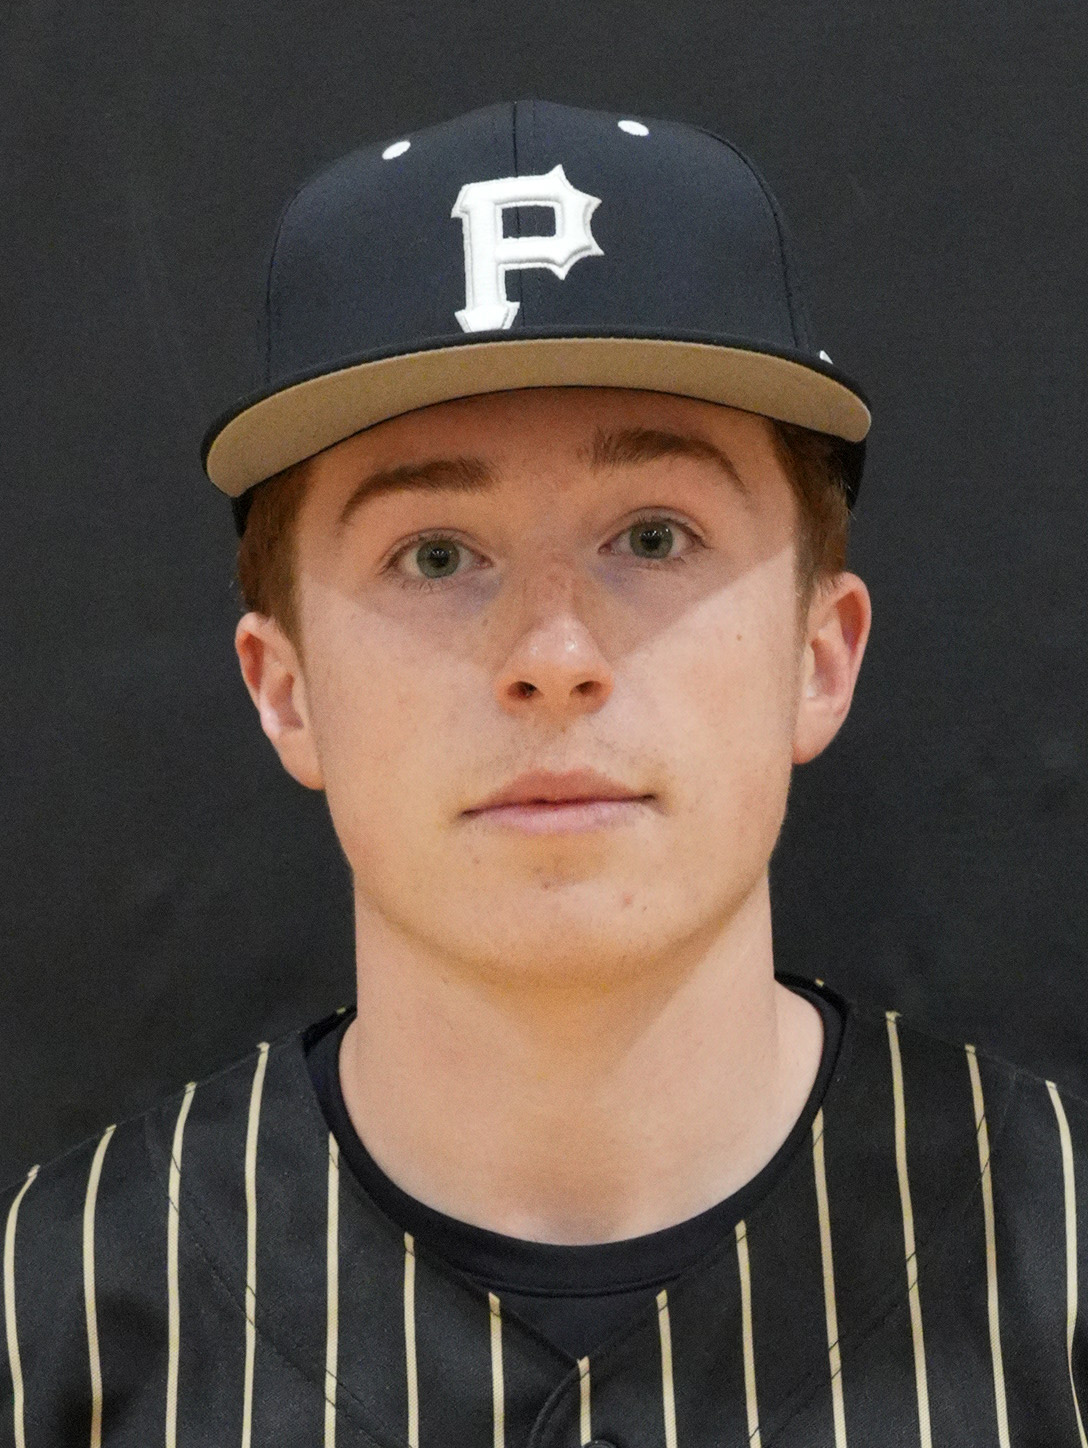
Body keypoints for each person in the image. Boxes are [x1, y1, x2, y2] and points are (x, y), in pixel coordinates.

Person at [4, 97, 1087, 1447]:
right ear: (284, 690)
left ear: (821, 652)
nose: (555, 655)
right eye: (436, 554)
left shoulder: (1059, 1245)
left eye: (652, 534)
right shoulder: (54, 1314)